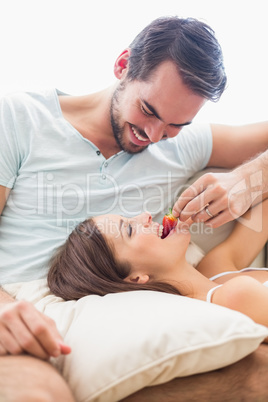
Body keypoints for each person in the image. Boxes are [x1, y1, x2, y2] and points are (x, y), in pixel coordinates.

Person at [0, 15, 268, 401]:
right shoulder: (19, 118)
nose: (155, 136)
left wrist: (247, 181)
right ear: (123, 65)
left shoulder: (180, 146)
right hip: (22, 310)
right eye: (149, 110)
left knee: (253, 373)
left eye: (177, 123)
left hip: (127, 316)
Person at [47, 200, 268, 328]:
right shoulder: (236, 296)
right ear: (135, 279)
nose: (146, 215)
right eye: (131, 229)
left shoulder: (213, 269)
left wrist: (228, 192)